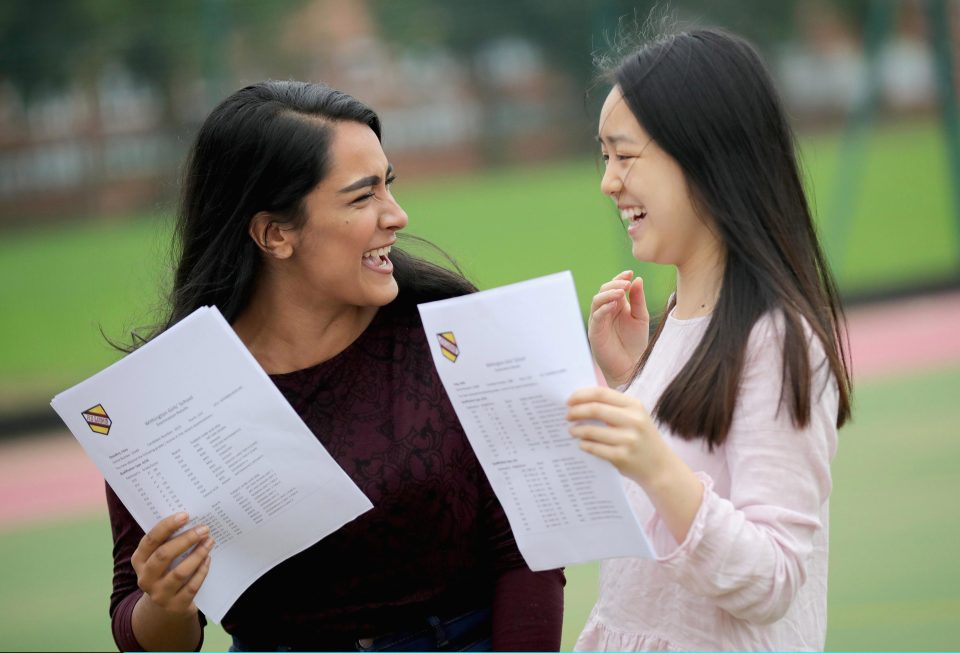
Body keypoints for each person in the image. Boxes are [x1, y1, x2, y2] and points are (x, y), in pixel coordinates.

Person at [105, 80, 564, 652]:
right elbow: (148, 631)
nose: (396, 215)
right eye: (361, 196)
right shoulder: (157, 396)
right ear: (275, 234)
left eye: (388, 184)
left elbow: (528, 547)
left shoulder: (446, 330)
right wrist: (165, 601)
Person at [566, 28, 852, 651]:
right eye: (604, 157)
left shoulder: (778, 339)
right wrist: (633, 381)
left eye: (625, 155)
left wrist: (653, 461)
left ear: (704, 156)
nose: (608, 182)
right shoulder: (675, 316)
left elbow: (772, 580)